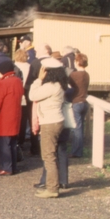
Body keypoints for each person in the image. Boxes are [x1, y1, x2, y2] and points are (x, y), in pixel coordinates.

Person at [29, 58, 69, 198]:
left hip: (49, 123)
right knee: (52, 155)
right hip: (56, 120)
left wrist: (38, 80)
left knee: (48, 156)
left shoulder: (51, 86)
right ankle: (53, 185)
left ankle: (52, 189)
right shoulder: (60, 85)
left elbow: (32, 95)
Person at [0, 60, 24, 175]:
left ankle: (6, 167)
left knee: (4, 145)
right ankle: (13, 167)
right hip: (15, 117)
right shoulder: (18, 81)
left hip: (3, 119)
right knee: (12, 143)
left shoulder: (3, 84)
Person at [69, 52, 90, 158]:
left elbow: (69, 85)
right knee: (80, 127)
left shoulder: (74, 74)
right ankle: (79, 150)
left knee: (77, 128)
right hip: (85, 103)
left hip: (76, 102)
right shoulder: (86, 75)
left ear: (77, 62)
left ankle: (76, 152)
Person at [13, 48, 31, 162]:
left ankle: (15, 139)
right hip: (27, 95)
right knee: (24, 119)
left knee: (16, 118)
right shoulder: (29, 66)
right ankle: (21, 140)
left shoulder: (14, 66)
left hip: (17, 95)